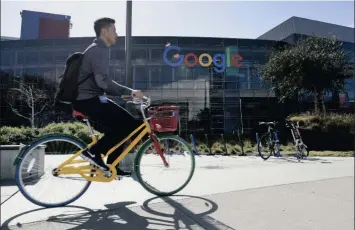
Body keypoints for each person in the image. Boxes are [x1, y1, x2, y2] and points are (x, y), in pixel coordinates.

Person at [72, 17, 144, 177]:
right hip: (88, 101)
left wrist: (124, 95)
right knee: (129, 125)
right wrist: (130, 91)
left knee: (121, 127)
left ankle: (112, 166)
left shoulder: (96, 49)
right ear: (104, 32)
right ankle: (93, 153)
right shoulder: (100, 50)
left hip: (88, 100)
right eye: (114, 30)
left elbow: (100, 82)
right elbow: (103, 81)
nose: (117, 34)